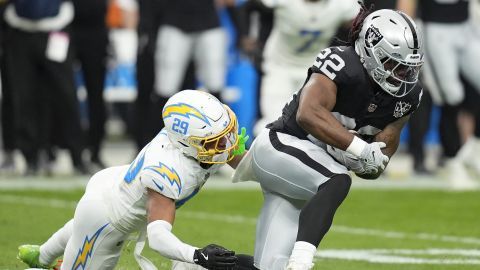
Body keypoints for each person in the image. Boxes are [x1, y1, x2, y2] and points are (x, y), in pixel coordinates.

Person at [233, 7, 424, 270]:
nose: (402, 75)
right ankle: (301, 262)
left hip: (305, 171)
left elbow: (379, 159)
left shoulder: (407, 97)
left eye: (408, 68)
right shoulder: (342, 63)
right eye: (395, 64)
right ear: (371, 51)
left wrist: (369, 161)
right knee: (337, 180)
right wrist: (356, 146)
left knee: (269, 267)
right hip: (281, 144)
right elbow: (307, 113)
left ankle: (197, 264)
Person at [17, 90, 249, 269]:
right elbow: (158, 237)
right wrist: (199, 255)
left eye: (227, 133)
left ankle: (42, 254)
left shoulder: (191, 142)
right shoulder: (167, 171)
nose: (228, 144)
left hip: (113, 184)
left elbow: (243, 162)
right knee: (85, 227)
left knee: (78, 227)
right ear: (189, 143)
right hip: (106, 218)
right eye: (219, 141)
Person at [398, 0, 480, 188]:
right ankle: (453, 163)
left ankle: (475, 149)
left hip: (467, 25)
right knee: (451, 97)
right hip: (435, 29)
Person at [253, 0, 360, 135]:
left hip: (314, 70)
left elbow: (358, 23)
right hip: (279, 67)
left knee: (311, 126)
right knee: (273, 122)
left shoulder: (340, 5)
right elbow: (252, 7)